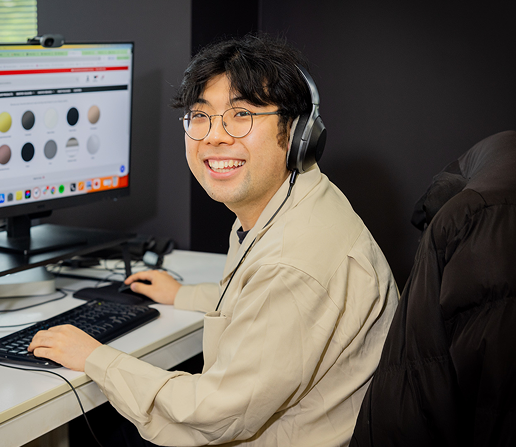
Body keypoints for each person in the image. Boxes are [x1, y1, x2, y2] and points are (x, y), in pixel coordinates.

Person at [29, 33, 399, 446]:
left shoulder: (291, 264)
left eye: (241, 114)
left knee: (90, 424)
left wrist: (95, 357)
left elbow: (214, 417)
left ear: (297, 134)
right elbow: (260, 306)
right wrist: (181, 295)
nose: (214, 137)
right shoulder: (295, 202)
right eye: (200, 116)